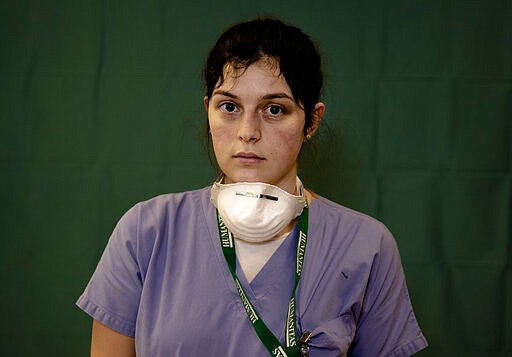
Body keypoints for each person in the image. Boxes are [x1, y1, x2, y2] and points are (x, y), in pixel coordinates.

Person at [77, 17, 428, 357]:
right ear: (208, 112)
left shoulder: (366, 246)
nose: (248, 131)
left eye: (274, 109)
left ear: (312, 121)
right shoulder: (145, 232)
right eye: (229, 106)